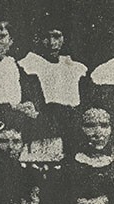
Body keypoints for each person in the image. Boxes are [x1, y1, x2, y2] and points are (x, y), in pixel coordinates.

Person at [18, 18, 87, 155]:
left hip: (71, 128)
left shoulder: (74, 67)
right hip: (42, 130)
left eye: (56, 37)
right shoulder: (27, 65)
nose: (51, 43)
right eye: (46, 37)